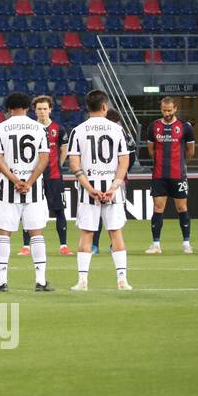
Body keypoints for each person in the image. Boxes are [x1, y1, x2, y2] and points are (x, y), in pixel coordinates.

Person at [67, 90, 132, 292]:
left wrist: (90, 188)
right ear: (105, 107)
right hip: (112, 188)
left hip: (89, 189)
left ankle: (82, 281)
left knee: (86, 234)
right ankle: (122, 280)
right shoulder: (117, 129)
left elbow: (74, 163)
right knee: (116, 233)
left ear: (87, 107)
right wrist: (114, 186)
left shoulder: (77, 131)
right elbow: (124, 160)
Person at [0, 92, 53, 292]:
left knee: (4, 234)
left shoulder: (0, 128)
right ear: (27, 108)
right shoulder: (40, 128)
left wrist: (16, 180)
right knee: (36, 234)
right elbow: (44, 159)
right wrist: (29, 182)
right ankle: (41, 281)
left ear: (8, 108)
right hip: (33, 190)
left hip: (9, 188)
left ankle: (1, 282)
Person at [144, 96, 196, 254]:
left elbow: (190, 151)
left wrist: (180, 163)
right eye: (164, 110)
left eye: (169, 110)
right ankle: (156, 244)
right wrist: (161, 162)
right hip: (159, 175)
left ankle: (186, 243)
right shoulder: (153, 126)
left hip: (178, 174)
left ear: (175, 109)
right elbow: (151, 150)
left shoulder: (185, 127)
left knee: (182, 207)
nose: (166, 113)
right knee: (158, 208)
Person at [23, 95, 72, 256]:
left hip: (54, 176)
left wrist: (57, 164)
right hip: (34, 178)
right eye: (39, 109)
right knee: (28, 210)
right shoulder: (30, 128)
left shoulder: (59, 128)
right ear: (34, 110)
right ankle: (26, 246)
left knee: (59, 210)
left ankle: (63, 245)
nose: (42, 112)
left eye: (45, 109)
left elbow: (64, 150)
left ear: (50, 109)